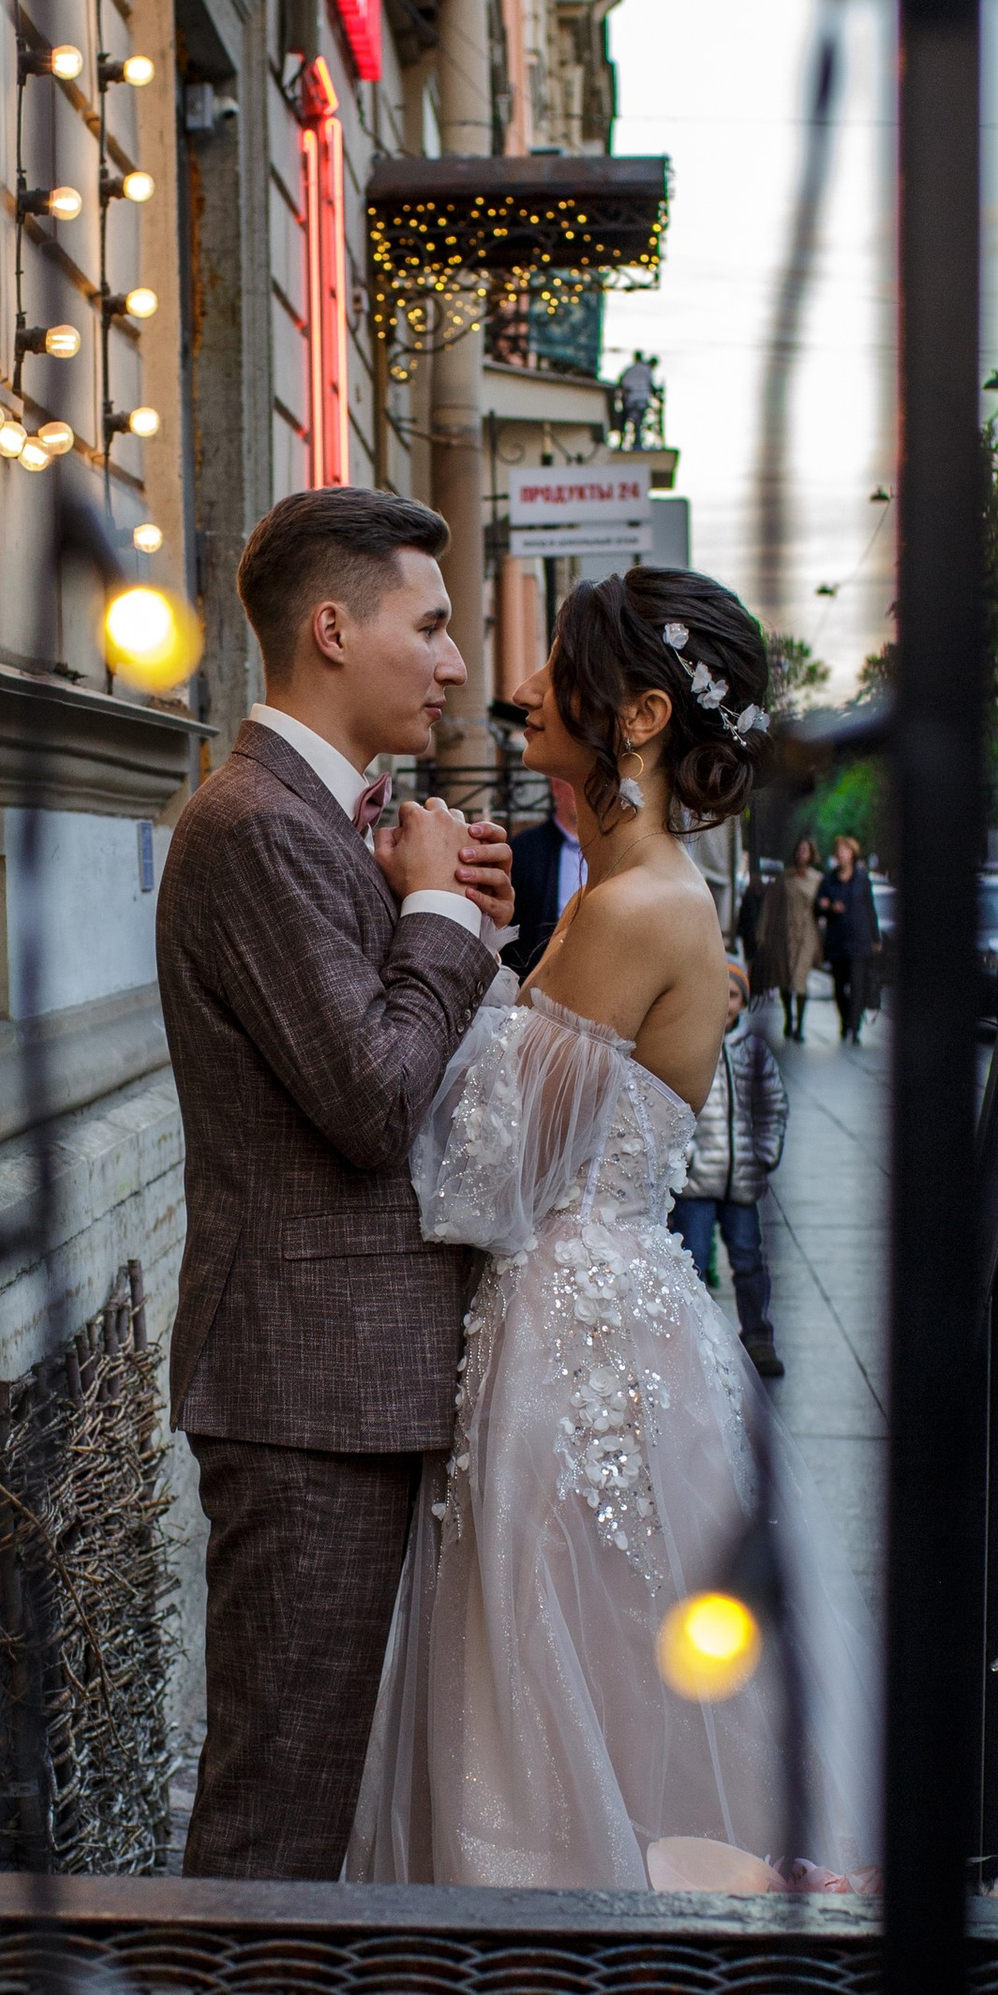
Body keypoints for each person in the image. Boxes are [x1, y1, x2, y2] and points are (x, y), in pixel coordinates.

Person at [348, 567, 877, 1894]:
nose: (526, 695)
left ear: (637, 715)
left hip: (568, 1340)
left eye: (560, 678)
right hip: (609, 1313)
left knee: (553, 1692)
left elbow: (484, 1181)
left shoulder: (634, 909)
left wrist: (445, 931)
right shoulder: (630, 896)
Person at [156, 486, 515, 1880]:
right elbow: (371, 1101)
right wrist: (432, 917)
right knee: (278, 1807)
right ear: (329, 628)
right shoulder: (250, 826)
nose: (455, 663)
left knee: (331, 1789)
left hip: (352, 1384)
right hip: (305, 1395)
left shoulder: (326, 825)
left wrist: (450, 914)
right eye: (428, 626)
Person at [671, 958, 786, 1382]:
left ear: (744, 1001)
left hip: (742, 1182)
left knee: (749, 1260)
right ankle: (693, 1338)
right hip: (697, 1182)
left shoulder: (752, 1051)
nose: (725, 1004)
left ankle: (757, 1335)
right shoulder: (688, 1044)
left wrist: (764, 1154)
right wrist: (682, 1161)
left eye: (733, 995)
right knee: (692, 1260)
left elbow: (774, 1107)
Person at [506, 771, 587, 978]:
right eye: (575, 780)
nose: (585, 790)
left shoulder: (615, 850)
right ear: (556, 786)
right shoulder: (524, 849)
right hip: (539, 975)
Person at [814, 832, 879, 1044]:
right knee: (840, 985)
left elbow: (871, 910)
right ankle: (845, 1020)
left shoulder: (862, 879)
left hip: (860, 941)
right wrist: (828, 907)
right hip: (837, 942)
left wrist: (875, 938)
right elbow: (818, 907)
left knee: (858, 985)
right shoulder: (829, 879)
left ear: (852, 854)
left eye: (845, 851)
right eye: (839, 851)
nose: (841, 855)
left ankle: (855, 1027)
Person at [761, 834, 822, 1040]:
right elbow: (770, 906)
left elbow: (822, 908)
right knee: (785, 979)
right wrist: (763, 933)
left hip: (806, 934)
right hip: (784, 934)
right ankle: (789, 1017)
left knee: (800, 979)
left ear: (812, 854)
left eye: (806, 850)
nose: (801, 854)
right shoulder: (784, 878)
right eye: (799, 850)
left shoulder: (817, 880)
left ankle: (800, 1027)